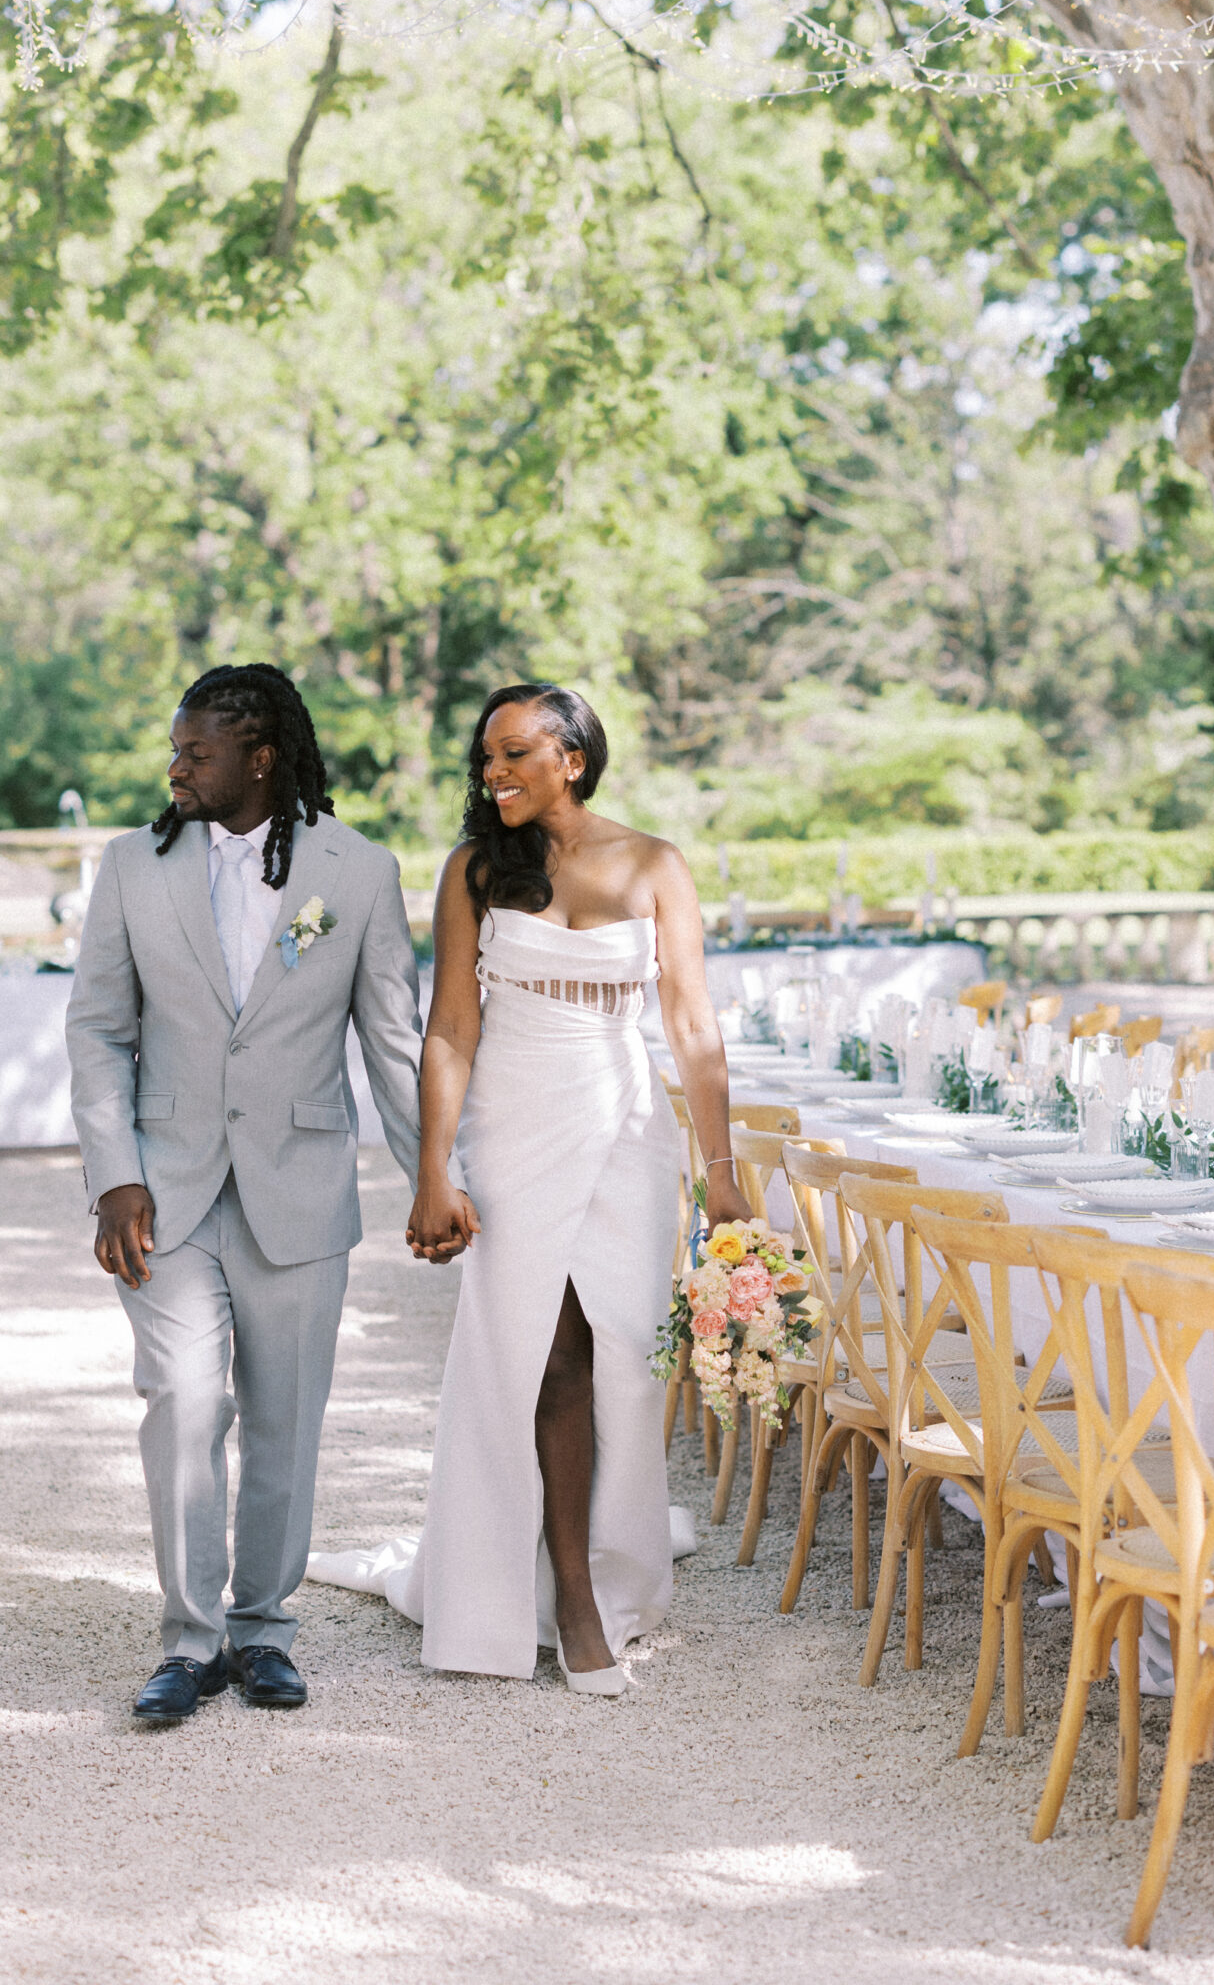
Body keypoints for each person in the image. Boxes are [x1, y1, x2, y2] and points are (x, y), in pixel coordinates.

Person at [308, 681, 742, 1692]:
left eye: (513, 755)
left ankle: (598, 1565)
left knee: (624, 1362)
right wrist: (431, 1170)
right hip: (512, 1129)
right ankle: (568, 1605)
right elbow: (450, 1025)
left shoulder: (654, 863)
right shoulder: (471, 870)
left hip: (626, 1128)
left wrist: (724, 1179)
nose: (493, 774)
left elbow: (692, 1028)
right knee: (539, 1361)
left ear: (572, 758)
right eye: (485, 760)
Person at [66, 663, 423, 1725]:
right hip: (164, 1191)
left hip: (300, 1184)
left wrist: (442, 1182)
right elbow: (96, 1029)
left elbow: (392, 1041)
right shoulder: (132, 865)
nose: (175, 766)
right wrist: (113, 1175)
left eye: (196, 751)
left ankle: (263, 1626)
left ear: (260, 754)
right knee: (181, 1401)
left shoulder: (354, 873)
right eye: (175, 750)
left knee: (287, 1417)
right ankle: (190, 1638)